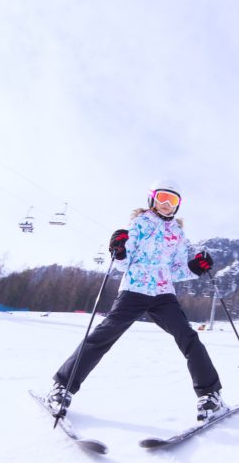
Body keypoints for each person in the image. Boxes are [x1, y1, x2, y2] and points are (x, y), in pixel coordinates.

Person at [46, 179, 226, 422]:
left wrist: (194, 268)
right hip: (134, 289)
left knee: (188, 338)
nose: (166, 204)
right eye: (162, 197)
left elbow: (175, 269)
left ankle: (211, 396)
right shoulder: (139, 224)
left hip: (163, 294)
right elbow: (122, 263)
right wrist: (119, 250)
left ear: (178, 206)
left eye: (172, 200)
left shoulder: (178, 234)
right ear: (152, 199)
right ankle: (61, 387)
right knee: (102, 336)